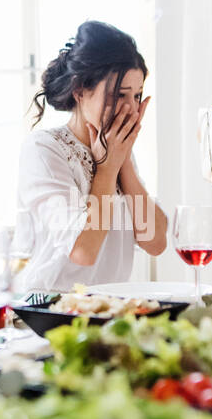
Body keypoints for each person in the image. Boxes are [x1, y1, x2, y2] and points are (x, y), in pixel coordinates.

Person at [17, 20, 167, 291]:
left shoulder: (119, 153)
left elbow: (155, 242)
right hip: (50, 312)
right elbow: (84, 251)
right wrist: (107, 171)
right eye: (119, 95)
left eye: (137, 95)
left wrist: (124, 165)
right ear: (80, 91)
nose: (131, 109)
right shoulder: (44, 150)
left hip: (109, 313)